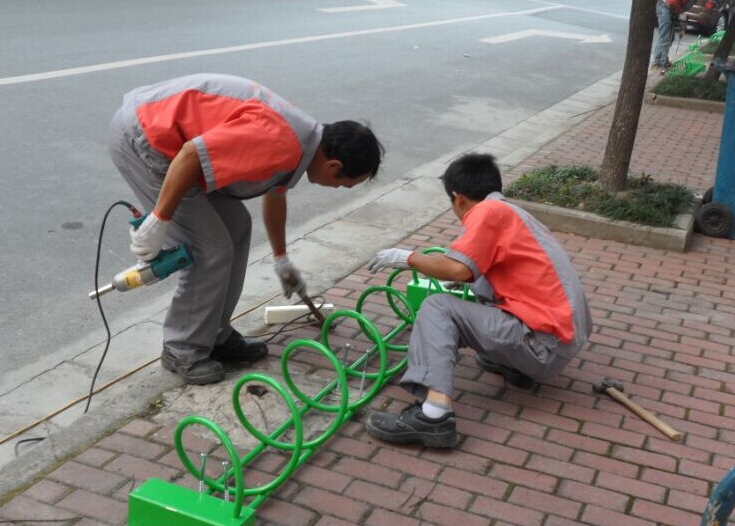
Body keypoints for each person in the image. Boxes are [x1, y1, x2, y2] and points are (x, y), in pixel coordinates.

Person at [108, 73, 383, 385]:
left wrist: (281, 259)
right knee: (210, 250)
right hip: (147, 137)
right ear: (334, 166)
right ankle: (182, 349)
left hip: (173, 143)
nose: (340, 189)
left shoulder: (302, 142)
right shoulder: (281, 141)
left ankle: (215, 334)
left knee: (238, 227)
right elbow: (189, 156)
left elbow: (275, 194)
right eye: (345, 185)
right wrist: (160, 220)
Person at [364, 153, 592, 448]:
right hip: (559, 342)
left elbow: (458, 269)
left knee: (438, 307)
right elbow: (475, 271)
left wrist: (405, 258)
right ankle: (515, 367)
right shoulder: (513, 213)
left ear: (458, 198)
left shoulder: (487, 212)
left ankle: (433, 416)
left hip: (542, 345)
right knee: (480, 285)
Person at [653, 0, 688, 72]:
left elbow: (682, 10)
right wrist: (680, 12)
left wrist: (682, 28)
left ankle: (664, 60)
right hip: (664, 6)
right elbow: (673, 2)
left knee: (671, 38)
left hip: (671, 9)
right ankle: (657, 63)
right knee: (665, 37)